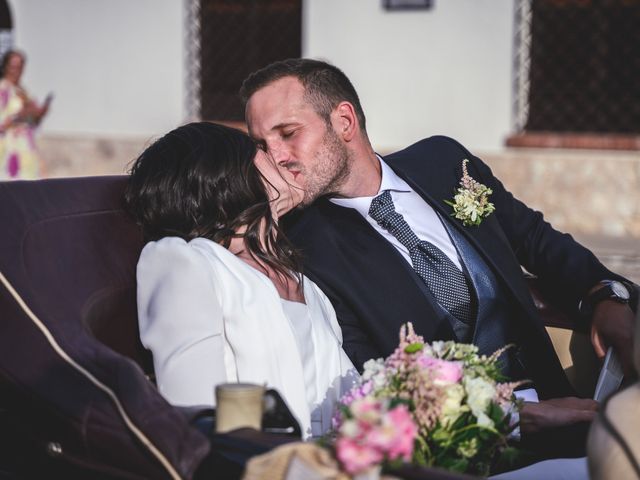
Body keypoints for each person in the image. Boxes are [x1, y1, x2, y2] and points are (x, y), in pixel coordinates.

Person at [240, 58, 636, 461]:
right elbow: (377, 376)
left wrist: (608, 293)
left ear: (344, 121)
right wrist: (522, 416)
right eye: (260, 145)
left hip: (572, 416)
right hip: (459, 452)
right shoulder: (305, 246)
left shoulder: (442, 162)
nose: (275, 157)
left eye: (288, 134)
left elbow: (538, 241)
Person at [124, 122, 357, 440]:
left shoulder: (306, 286)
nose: (278, 156)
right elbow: (199, 410)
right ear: (227, 172)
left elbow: (350, 396)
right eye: (261, 149)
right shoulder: (186, 263)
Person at [0, 49, 51, 180]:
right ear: (6, 67)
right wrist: (21, 114)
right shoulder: (3, 90)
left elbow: (32, 123)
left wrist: (39, 114)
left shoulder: (22, 91)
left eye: (20, 67)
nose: (16, 71)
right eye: (13, 67)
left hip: (26, 150)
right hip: (10, 150)